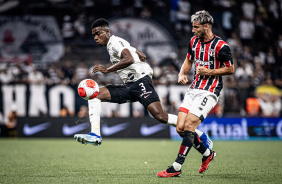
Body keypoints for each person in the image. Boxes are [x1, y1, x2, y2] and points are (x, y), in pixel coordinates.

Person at [74, 18, 213, 149]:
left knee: (161, 117)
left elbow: (128, 59)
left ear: (107, 32)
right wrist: (138, 52)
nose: (96, 38)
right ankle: (95, 134)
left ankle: (201, 135)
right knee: (95, 94)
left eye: (98, 34)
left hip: (140, 82)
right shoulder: (114, 45)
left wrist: (107, 69)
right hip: (130, 85)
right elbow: (132, 52)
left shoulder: (114, 42)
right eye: (94, 35)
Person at [157, 10, 235, 177]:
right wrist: (181, 73)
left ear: (206, 27)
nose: (193, 30)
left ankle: (176, 167)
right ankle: (207, 154)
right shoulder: (193, 41)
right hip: (194, 89)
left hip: (210, 91)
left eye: (196, 27)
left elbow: (230, 68)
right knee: (180, 128)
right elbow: (189, 60)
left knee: (189, 126)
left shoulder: (222, 46)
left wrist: (209, 71)